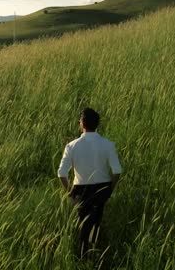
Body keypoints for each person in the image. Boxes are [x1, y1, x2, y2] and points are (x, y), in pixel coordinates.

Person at [58, 108, 123, 256]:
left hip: (80, 190)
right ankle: (94, 253)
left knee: (83, 223)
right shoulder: (108, 144)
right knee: (96, 221)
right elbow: (117, 171)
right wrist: (109, 190)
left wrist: (70, 193)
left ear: (82, 124)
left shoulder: (71, 146)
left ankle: (84, 255)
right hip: (102, 188)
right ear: (97, 124)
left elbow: (61, 174)